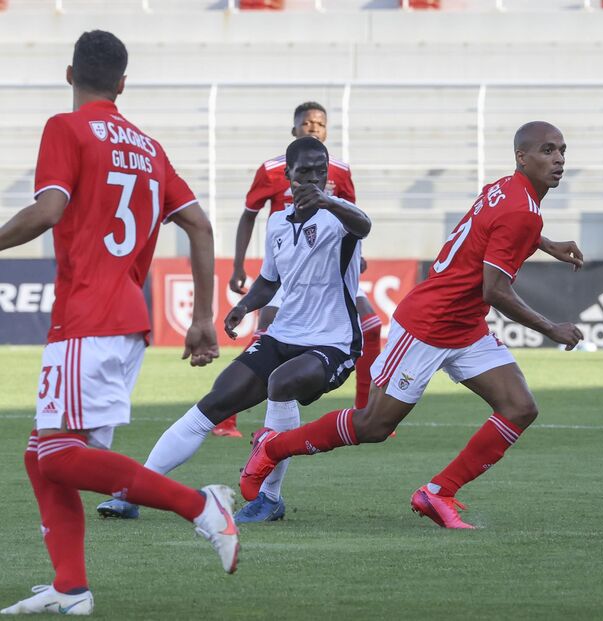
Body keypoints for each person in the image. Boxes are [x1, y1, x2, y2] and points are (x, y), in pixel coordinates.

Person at [240, 121, 584, 529]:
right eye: (547, 150)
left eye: (561, 150)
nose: (559, 159)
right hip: (428, 324)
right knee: (374, 425)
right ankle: (274, 446)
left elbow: (498, 227)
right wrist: (553, 329)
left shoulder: (508, 191)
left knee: (520, 407)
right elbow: (496, 290)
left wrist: (546, 243)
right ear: (521, 157)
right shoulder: (519, 210)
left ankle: (438, 493)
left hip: (465, 326)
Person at [0, 31, 239, 615]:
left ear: (69, 74)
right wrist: (203, 317)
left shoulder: (67, 126)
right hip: (126, 317)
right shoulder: (148, 146)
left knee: (56, 454)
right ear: (123, 83)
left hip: (88, 313)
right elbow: (202, 226)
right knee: (43, 453)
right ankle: (71, 587)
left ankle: (201, 506)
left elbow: (48, 209)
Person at [98, 136, 371, 525]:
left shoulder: (341, 216)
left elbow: (364, 225)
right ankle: (136, 490)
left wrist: (330, 201)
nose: (313, 178)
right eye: (304, 171)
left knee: (281, 383)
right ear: (287, 177)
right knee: (216, 401)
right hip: (284, 335)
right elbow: (270, 280)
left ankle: (269, 498)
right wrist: (243, 306)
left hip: (334, 342)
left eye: (320, 170)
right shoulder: (277, 222)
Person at [213, 101, 382, 437]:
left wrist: (355, 252)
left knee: (372, 325)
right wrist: (237, 264)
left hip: (329, 264)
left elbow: (353, 216)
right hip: (290, 263)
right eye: (307, 123)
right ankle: (227, 416)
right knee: (268, 338)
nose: (313, 128)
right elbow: (250, 214)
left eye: (320, 124)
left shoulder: (339, 171)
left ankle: (366, 411)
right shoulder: (273, 169)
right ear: (294, 131)